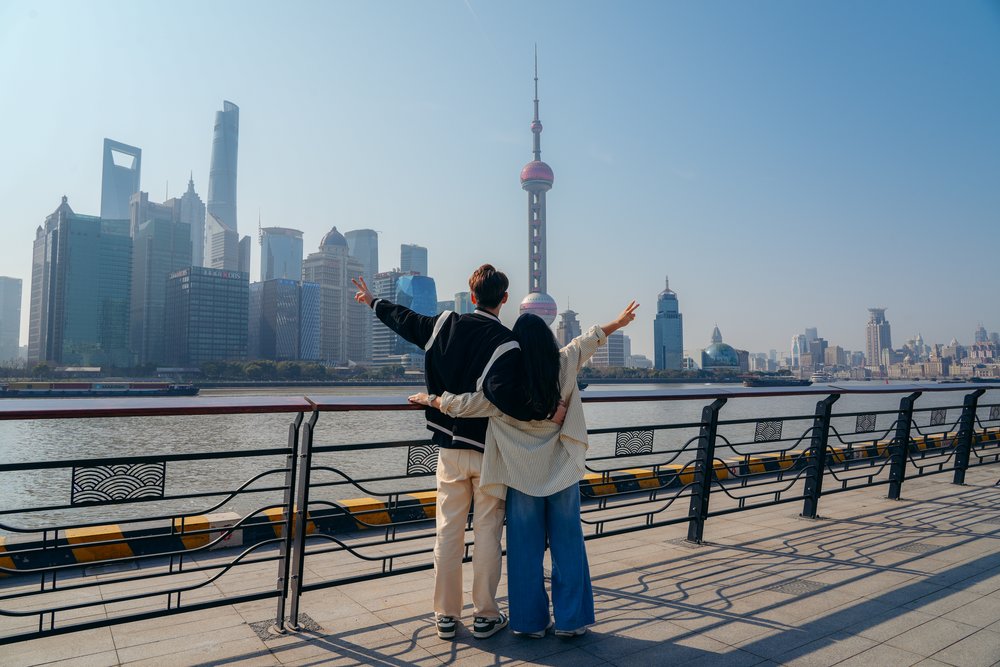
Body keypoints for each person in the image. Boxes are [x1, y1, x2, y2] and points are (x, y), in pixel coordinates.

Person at [410, 301, 639, 638]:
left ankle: (530, 624)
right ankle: (571, 622)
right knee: (568, 548)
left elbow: (466, 404)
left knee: (524, 553)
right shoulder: (564, 362)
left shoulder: (508, 383)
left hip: (521, 476)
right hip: (561, 471)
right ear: (548, 339)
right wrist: (618, 322)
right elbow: (588, 339)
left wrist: (431, 399)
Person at [352, 265, 555, 640]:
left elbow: (406, 320)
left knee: (448, 531)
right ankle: (485, 615)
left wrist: (372, 301)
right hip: (488, 451)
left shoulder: (445, 323)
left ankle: (445, 615)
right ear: (504, 299)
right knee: (488, 533)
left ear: (471, 295)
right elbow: (504, 399)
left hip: (448, 448)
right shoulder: (508, 344)